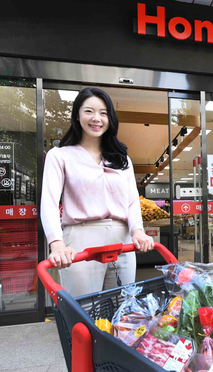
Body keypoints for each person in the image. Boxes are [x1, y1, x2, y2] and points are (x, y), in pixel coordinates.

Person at [41, 87, 154, 298]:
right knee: (84, 312)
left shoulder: (122, 159)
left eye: (103, 113)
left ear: (110, 118)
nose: (97, 118)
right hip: (81, 238)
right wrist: (56, 243)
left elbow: (132, 202)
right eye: (89, 111)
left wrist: (137, 231)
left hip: (122, 241)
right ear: (77, 114)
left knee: (123, 311)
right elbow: (48, 202)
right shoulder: (60, 156)